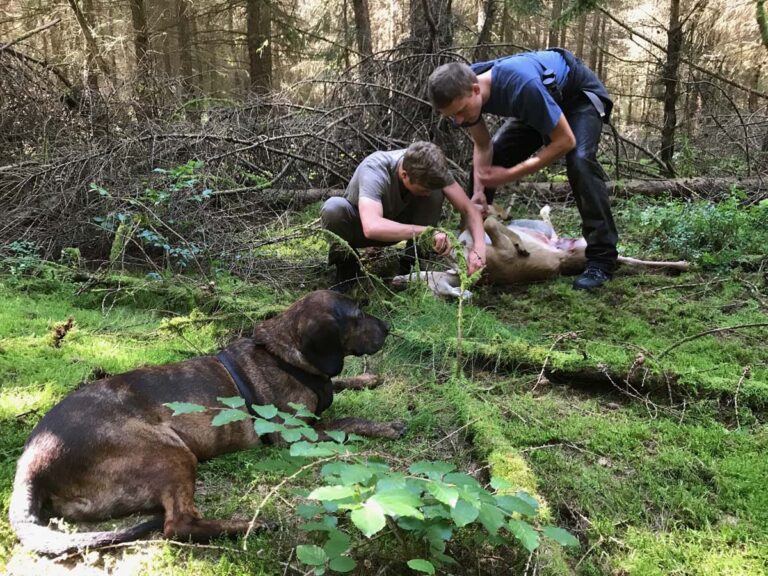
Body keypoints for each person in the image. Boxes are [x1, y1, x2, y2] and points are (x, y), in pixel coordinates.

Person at [427, 48, 618, 290]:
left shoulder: (521, 86)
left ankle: (602, 259)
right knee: (494, 159)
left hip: (577, 96)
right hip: (540, 102)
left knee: (580, 161)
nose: (459, 120)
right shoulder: (463, 90)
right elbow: (483, 145)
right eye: (452, 116)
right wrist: (479, 191)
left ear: (476, 90)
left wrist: (511, 174)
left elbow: (565, 141)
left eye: (461, 111)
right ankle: (472, 242)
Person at [321, 141, 486, 290]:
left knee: (437, 191)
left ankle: (412, 261)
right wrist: (428, 232)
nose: (427, 194)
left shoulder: (432, 169)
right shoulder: (375, 169)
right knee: (333, 208)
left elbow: (469, 210)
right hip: (362, 230)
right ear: (404, 175)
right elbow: (372, 227)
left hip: (404, 226)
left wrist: (479, 250)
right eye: (423, 189)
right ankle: (347, 265)